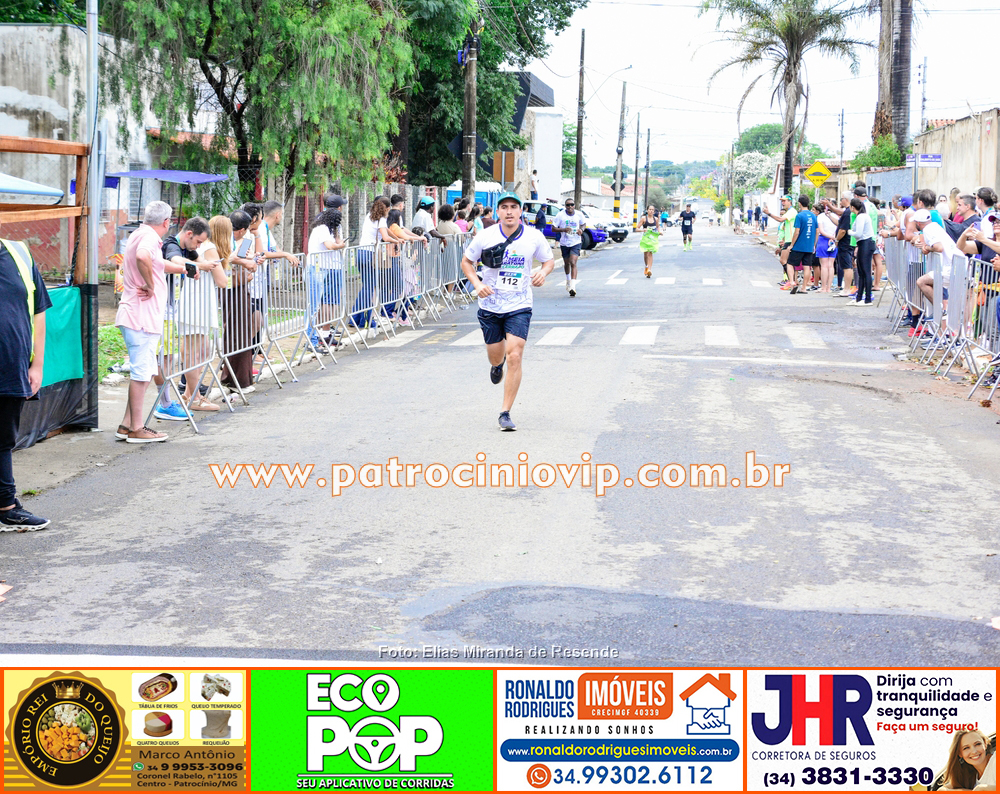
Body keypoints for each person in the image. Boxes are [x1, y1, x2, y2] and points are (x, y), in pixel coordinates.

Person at [460, 191, 555, 431]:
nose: (509, 211)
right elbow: (466, 262)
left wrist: (543, 273)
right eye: (504, 207)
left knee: (515, 355)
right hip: (490, 304)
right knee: (497, 356)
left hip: (519, 304)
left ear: (521, 211)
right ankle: (496, 365)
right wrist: (477, 284)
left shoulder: (533, 236)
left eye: (514, 207)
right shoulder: (485, 235)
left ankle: (505, 412)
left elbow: (548, 261)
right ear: (498, 211)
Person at [115, 201, 186, 443]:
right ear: (166, 222)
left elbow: (155, 262)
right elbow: (143, 256)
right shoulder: (150, 238)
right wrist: (150, 284)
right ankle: (137, 427)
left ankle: (127, 425)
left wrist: (182, 269)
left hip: (138, 315)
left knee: (143, 372)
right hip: (141, 316)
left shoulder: (139, 233)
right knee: (142, 374)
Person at [0, 222, 51, 530]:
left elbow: (39, 311)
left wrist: (37, 365)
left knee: (3, 438)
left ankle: (6, 507)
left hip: (11, 364)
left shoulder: (18, 252)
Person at [179, 216, 229, 411]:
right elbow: (222, 281)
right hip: (197, 303)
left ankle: (190, 394)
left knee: (201, 349)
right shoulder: (209, 248)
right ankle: (195, 397)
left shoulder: (198, 248)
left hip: (195, 301)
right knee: (194, 351)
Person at [219, 210, 260, 391]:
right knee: (235, 333)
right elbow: (228, 259)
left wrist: (249, 262)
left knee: (241, 333)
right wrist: (244, 262)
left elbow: (242, 260)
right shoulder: (223, 240)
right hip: (230, 289)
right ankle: (234, 379)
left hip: (239, 288)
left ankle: (240, 378)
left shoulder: (245, 241)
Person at [306, 207, 346, 348]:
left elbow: (335, 243)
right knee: (315, 304)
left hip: (327, 268)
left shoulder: (329, 229)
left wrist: (338, 237)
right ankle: (312, 338)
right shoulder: (322, 229)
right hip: (318, 268)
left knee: (327, 302)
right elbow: (330, 246)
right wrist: (340, 245)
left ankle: (322, 335)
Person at [352, 196, 392, 328]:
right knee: (369, 288)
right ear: (387, 208)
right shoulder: (382, 219)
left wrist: (396, 238)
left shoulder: (369, 216)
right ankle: (366, 320)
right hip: (370, 254)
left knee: (367, 287)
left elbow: (387, 231)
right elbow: (386, 237)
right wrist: (396, 241)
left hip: (361, 252)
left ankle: (355, 317)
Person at [846, 197, 875, 305]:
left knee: (865, 272)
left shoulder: (861, 217)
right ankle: (859, 297)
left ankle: (867, 299)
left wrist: (850, 232)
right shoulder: (862, 216)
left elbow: (858, 233)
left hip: (866, 243)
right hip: (863, 243)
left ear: (852, 207)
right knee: (862, 272)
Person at [786, 195, 817, 294]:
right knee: (807, 266)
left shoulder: (799, 216)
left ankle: (792, 282)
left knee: (790, 263)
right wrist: (814, 244)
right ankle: (804, 287)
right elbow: (817, 231)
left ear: (799, 203)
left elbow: (797, 232)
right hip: (809, 246)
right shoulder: (813, 216)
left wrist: (791, 245)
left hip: (799, 245)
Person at [553, 198, 584, 297]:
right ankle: (568, 280)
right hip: (564, 243)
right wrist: (563, 229)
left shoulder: (579, 214)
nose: (570, 207)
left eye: (572, 205)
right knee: (567, 263)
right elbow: (553, 228)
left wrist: (581, 230)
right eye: (568, 205)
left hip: (576, 242)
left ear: (574, 205)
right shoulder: (560, 215)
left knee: (573, 262)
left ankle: (573, 287)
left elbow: (583, 224)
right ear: (565, 206)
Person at [764, 194, 795, 286]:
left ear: (790, 201)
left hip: (791, 240)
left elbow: (780, 219)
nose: (783, 203)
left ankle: (791, 281)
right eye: (782, 201)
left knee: (785, 261)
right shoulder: (789, 212)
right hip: (787, 240)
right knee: (785, 261)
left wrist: (769, 213)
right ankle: (790, 281)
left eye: (784, 201)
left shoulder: (792, 211)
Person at [814, 203, 838, 293]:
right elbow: (838, 228)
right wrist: (833, 237)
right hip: (834, 241)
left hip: (823, 240)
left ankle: (823, 287)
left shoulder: (820, 216)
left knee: (824, 265)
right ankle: (829, 287)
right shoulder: (835, 216)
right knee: (831, 265)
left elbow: (821, 230)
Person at [638, 205, 660, 278]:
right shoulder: (644, 219)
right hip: (645, 239)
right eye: (650, 209)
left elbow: (657, 227)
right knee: (646, 254)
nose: (651, 211)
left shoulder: (656, 219)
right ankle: (646, 266)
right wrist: (643, 230)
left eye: (652, 210)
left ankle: (649, 270)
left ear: (654, 211)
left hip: (652, 239)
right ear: (647, 210)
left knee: (650, 253)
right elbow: (636, 228)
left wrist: (659, 232)